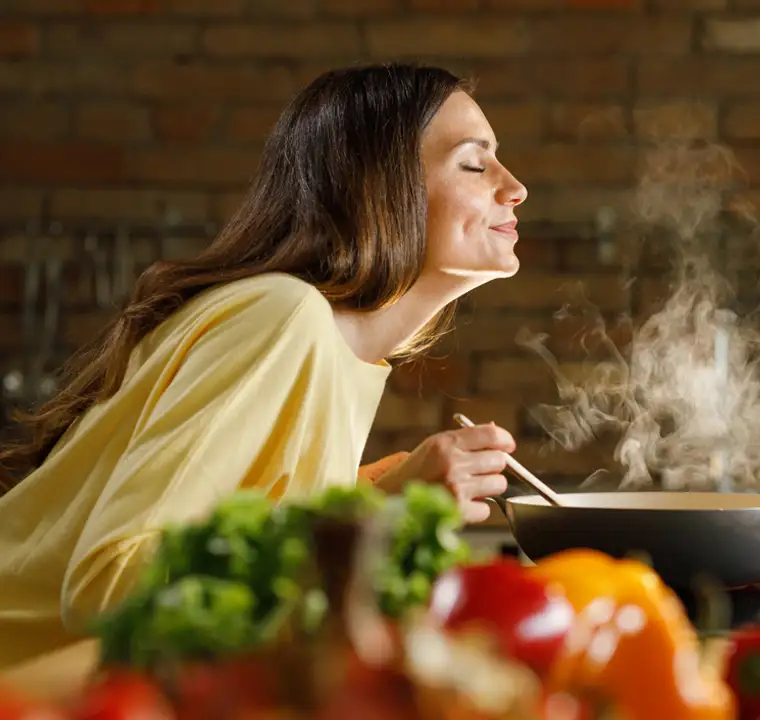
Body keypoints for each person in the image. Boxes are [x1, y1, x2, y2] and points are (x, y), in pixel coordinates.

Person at [0, 63, 527, 670]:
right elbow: (108, 586)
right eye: (472, 162)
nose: (515, 188)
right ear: (380, 188)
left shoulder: (337, 352)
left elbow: (228, 544)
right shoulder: (283, 316)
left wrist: (365, 498)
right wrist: (385, 512)